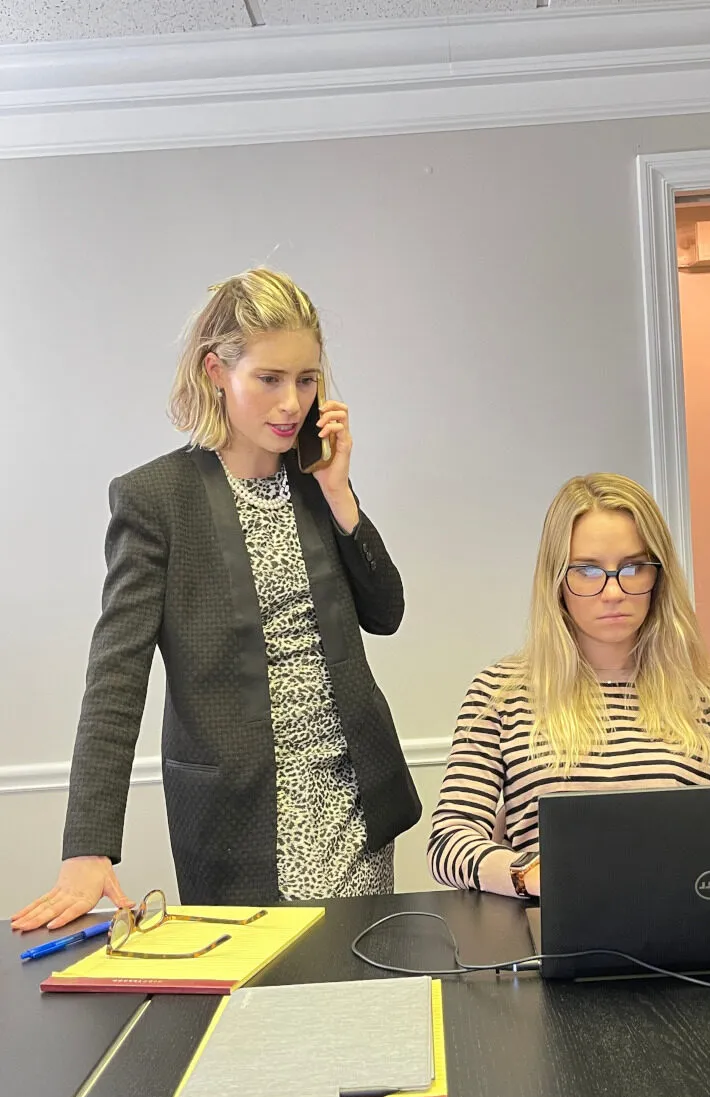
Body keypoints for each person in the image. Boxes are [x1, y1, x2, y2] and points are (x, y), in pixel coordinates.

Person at [14, 268, 420, 932]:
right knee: (261, 1006)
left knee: (354, 993)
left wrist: (342, 495)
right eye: (270, 378)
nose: (293, 402)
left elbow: (386, 612)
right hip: (239, 814)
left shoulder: (316, 479)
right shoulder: (155, 498)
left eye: (308, 379)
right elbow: (116, 672)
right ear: (215, 370)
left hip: (351, 800)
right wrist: (88, 843)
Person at [428, 473, 710, 897]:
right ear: (556, 581)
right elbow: (448, 843)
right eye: (587, 570)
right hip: (558, 932)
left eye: (633, 568)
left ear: (658, 577)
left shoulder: (709, 691)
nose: (613, 592)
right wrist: (528, 874)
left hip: (683, 923)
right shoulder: (500, 693)